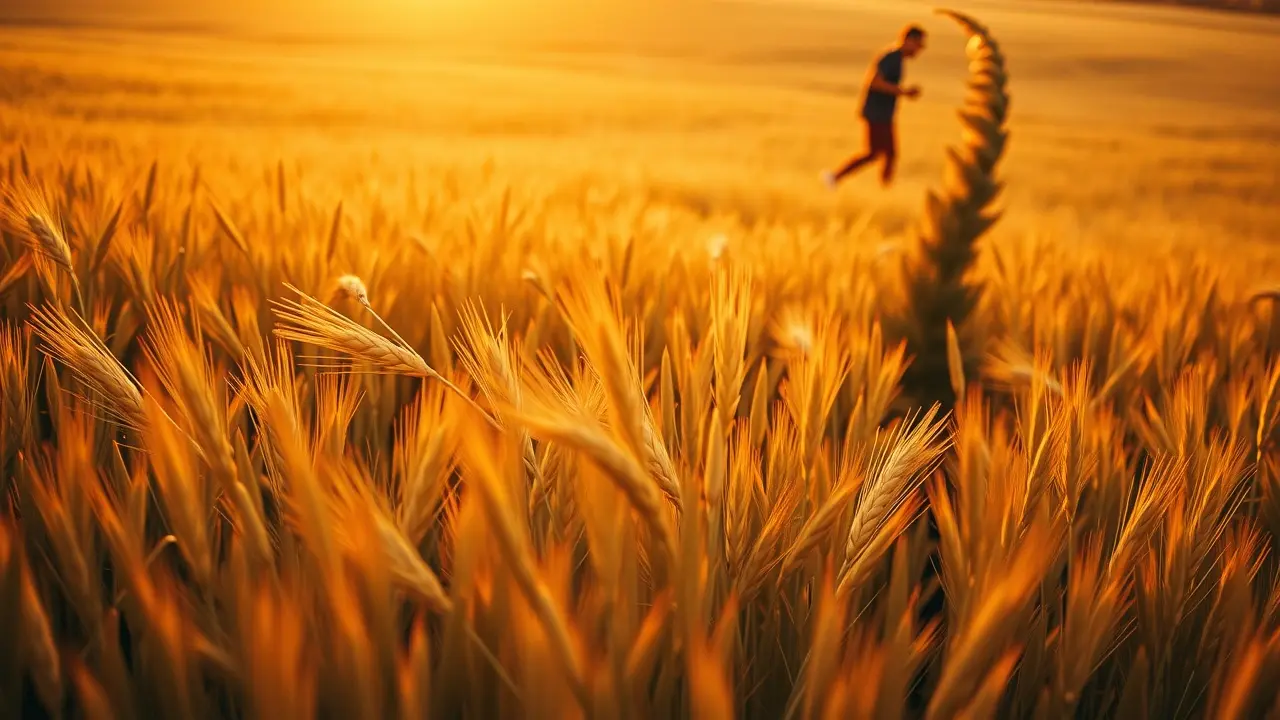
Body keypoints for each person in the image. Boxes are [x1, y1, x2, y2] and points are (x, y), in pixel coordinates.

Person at [823, 25, 928, 189]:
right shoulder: (891, 58)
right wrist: (903, 92)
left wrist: (902, 92)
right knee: (882, 154)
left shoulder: (897, 59)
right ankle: (835, 178)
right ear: (909, 40)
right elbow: (874, 82)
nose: (919, 50)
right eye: (919, 45)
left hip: (882, 114)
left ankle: (838, 179)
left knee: (882, 154)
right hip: (877, 114)